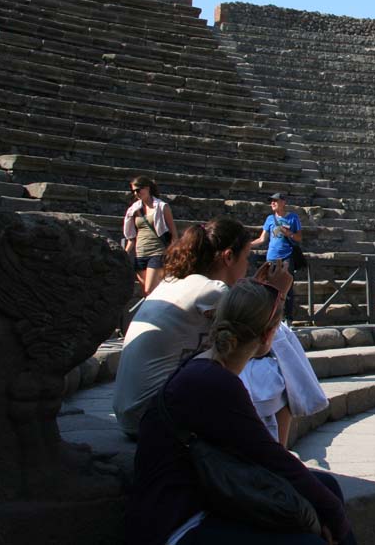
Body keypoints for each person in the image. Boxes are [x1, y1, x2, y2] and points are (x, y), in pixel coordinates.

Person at [126, 274, 356, 545]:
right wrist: (337, 521)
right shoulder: (214, 382)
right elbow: (273, 459)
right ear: (268, 335)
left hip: (207, 495)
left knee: (327, 488)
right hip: (178, 522)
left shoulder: (206, 366)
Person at [113, 217, 253, 436]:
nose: (248, 267)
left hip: (131, 414)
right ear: (228, 257)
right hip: (153, 416)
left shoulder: (173, 282)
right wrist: (277, 293)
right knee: (265, 368)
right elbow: (256, 345)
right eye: (246, 257)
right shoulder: (212, 290)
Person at [251, 193, 303, 320]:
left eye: (275, 200)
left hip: (286, 257)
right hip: (271, 257)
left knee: (287, 288)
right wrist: (247, 245)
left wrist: (289, 233)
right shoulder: (269, 219)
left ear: (283, 202)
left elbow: (299, 238)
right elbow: (262, 239)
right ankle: (270, 317)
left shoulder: (293, 217)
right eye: (271, 201)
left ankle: (287, 318)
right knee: (269, 287)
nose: (272, 203)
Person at [123, 176, 177, 296]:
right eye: (133, 191)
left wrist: (173, 252)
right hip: (140, 253)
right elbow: (131, 237)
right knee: (148, 294)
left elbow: (173, 232)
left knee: (150, 290)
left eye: (138, 190)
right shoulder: (133, 209)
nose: (136, 193)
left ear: (147, 188)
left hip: (157, 252)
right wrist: (125, 253)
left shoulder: (162, 207)